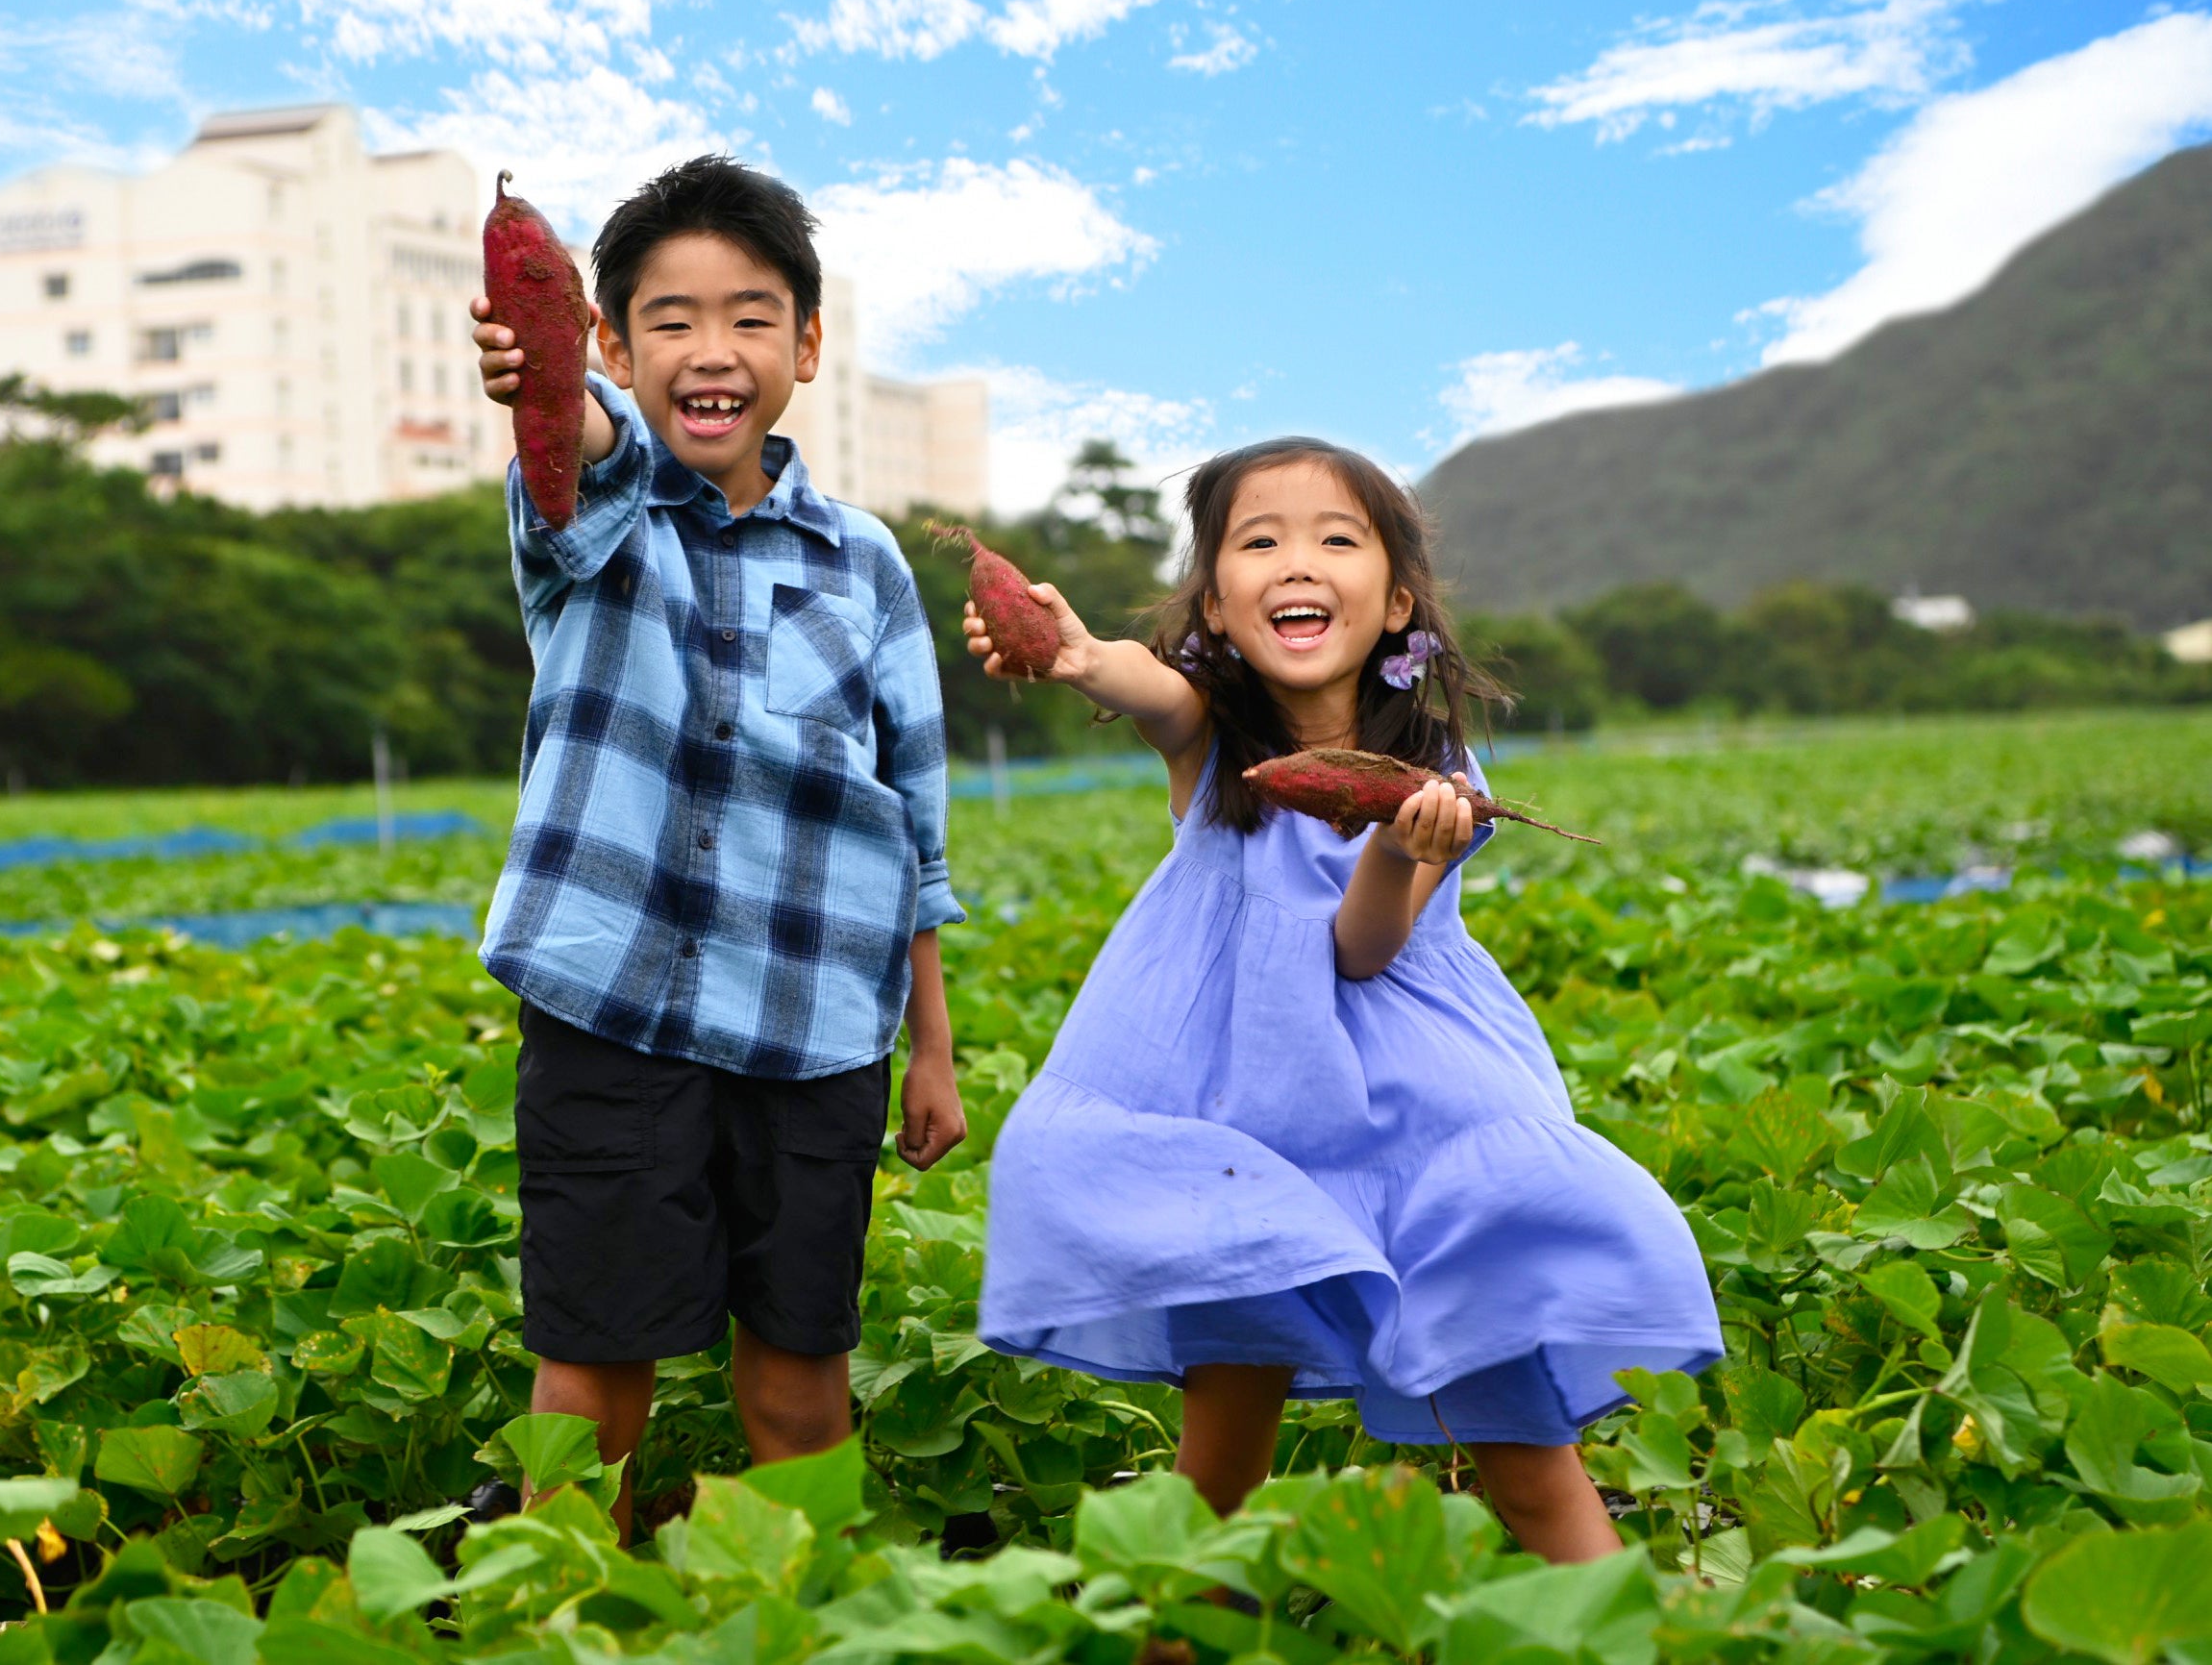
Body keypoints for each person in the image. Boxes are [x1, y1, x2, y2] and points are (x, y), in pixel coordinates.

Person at [964, 436, 1721, 1560]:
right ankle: (1175, 1633)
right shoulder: (1210, 736)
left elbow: (1364, 952)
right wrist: (1079, 657)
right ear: (1215, 605)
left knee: (1525, 1457)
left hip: (1420, 1114)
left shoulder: (1442, 772)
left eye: (1335, 540)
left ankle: (1628, 1628)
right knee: (1220, 1466)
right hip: (1249, 1128)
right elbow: (1143, 684)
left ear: (1398, 599)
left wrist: (1397, 848)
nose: (1297, 562)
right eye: (1258, 542)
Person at [469, 156, 969, 1538]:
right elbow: (586, 444)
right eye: (670, 320)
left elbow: (911, 819)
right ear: (616, 345)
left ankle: (801, 1603)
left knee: (801, 1374)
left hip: (816, 1025)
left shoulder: (866, 563)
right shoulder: (585, 510)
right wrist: (544, 378)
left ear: (805, 346)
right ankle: (557, 1598)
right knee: (592, 1366)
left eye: (751, 317)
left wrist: (930, 1044)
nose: (712, 351)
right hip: (611, 1005)